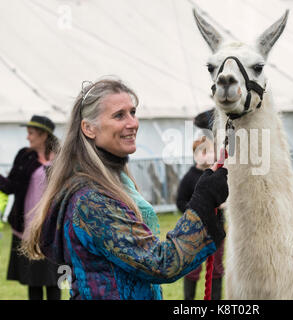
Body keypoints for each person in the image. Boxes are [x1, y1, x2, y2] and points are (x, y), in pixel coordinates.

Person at [21, 79, 228, 300]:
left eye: (133, 112)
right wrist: (203, 201)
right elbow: (160, 263)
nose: (133, 123)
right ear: (88, 128)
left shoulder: (115, 181)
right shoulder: (91, 200)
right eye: (119, 115)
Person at [0, 115, 61, 300]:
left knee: (54, 283)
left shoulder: (61, 159)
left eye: (31, 133)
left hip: (53, 231)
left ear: (43, 135)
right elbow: (10, 186)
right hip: (27, 232)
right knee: (33, 283)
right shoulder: (24, 156)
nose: (28, 137)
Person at [177, 136, 225, 300]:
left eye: (210, 151)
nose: (206, 155)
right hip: (195, 232)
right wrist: (196, 211)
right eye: (202, 152)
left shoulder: (217, 176)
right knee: (192, 268)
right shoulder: (189, 178)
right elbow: (180, 201)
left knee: (217, 268)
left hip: (215, 231)